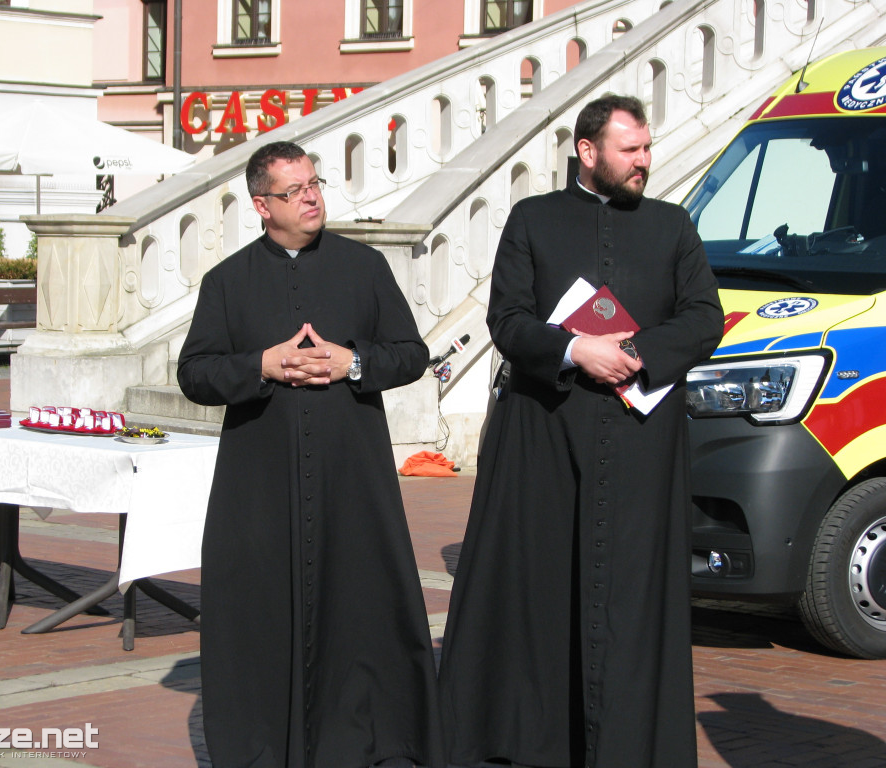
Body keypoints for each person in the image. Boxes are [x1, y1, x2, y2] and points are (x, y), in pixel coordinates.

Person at [437, 95, 724, 768]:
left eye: (647, 149)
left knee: (631, 601)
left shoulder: (672, 225)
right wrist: (574, 350)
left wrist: (636, 352)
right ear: (587, 152)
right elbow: (507, 321)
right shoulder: (532, 220)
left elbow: (704, 318)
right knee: (541, 594)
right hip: (545, 438)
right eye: (631, 151)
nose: (644, 162)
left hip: (640, 447)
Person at [177, 141, 443, 768]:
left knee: (360, 607)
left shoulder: (364, 267)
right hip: (261, 485)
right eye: (295, 190)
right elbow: (195, 373)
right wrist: (260, 366)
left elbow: (411, 352)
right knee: (263, 616)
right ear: (261, 205)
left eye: (315, 183)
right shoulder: (227, 281)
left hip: (352, 479)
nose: (313, 196)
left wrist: (356, 362)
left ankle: (367, 741)